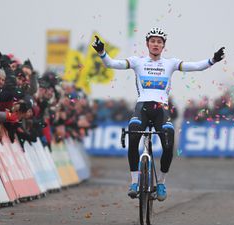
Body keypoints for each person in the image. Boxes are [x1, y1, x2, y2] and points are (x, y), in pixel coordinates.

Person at [92, 27, 225, 201]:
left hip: (161, 110)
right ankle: (134, 182)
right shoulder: (137, 62)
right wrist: (102, 52)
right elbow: (112, 64)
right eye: (153, 41)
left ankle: (161, 182)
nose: (156, 44)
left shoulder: (170, 63)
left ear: (163, 46)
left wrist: (213, 59)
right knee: (133, 135)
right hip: (142, 109)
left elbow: (195, 67)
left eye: (159, 42)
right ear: (147, 44)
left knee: (168, 143)